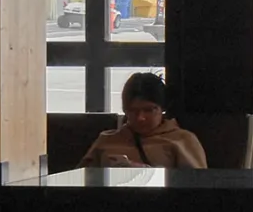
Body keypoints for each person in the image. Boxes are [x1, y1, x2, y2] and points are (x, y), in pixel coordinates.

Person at [78, 72, 209, 169]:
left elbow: (195, 186)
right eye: (133, 111)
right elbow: (81, 182)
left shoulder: (182, 140)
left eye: (149, 110)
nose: (141, 118)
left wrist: (144, 171)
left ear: (162, 108)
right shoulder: (107, 140)